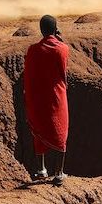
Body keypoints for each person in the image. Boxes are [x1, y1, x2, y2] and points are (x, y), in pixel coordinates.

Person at [23, 15, 70, 185]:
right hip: (57, 95)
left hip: (38, 96)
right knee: (60, 128)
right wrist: (59, 38)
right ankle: (59, 173)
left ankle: (41, 170)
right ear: (55, 29)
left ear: (41, 30)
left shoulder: (33, 49)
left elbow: (29, 74)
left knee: (40, 128)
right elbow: (63, 71)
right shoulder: (62, 48)